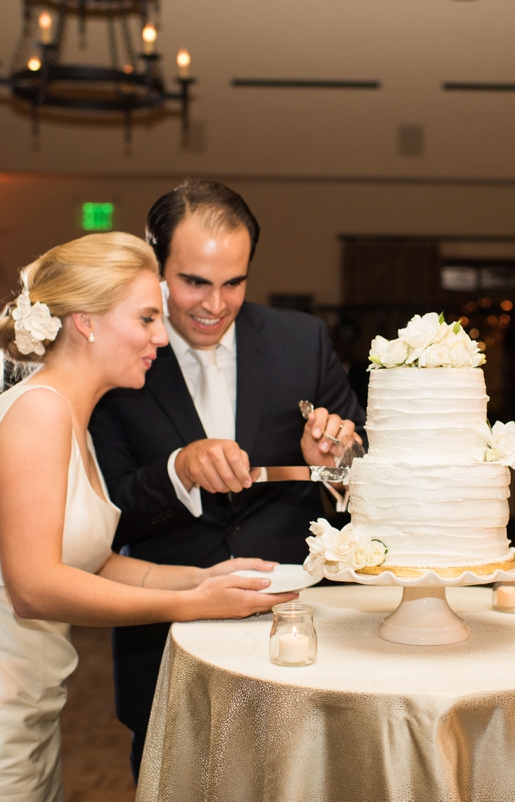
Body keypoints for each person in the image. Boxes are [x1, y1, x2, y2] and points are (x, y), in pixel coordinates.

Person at [0, 233, 297, 800]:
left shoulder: (69, 419)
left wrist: (208, 577)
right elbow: (35, 587)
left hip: (22, 702)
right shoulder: (38, 413)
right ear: (86, 323)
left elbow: (94, 562)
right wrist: (189, 605)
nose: (161, 337)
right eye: (145, 319)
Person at [88, 179, 366, 777]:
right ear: (155, 264)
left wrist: (333, 459)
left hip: (297, 625)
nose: (215, 304)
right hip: (166, 639)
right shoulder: (117, 354)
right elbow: (103, 515)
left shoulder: (301, 340)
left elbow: (365, 476)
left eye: (233, 283)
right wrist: (178, 473)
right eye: (194, 282)